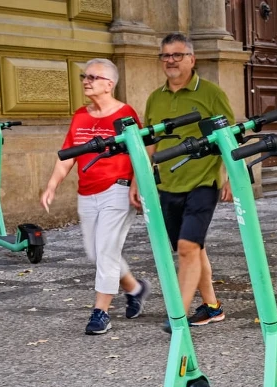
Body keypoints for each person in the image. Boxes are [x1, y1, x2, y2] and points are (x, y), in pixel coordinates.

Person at [41, 59, 147, 335]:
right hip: (87, 191)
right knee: (95, 252)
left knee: (107, 249)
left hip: (118, 188)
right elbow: (68, 156)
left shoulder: (125, 115)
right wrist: (52, 184)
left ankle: (100, 312)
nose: (86, 81)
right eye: (84, 76)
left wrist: (137, 183)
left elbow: (140, 153)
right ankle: (135, 289)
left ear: (109, 84)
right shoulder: (80, 116)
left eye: (93, 77)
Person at [137, 32, 235, 330]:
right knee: (195, 248)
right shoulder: (155, 97)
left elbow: (229, 137)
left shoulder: (210, 93)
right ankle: (212, 306)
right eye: (165, 55)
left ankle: (177, 316)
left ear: (192, 59)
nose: (170, 61)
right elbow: (149, 142)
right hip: (167, 184)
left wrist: (230, 177)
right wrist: (137, 180)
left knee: (186, 247)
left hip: (202, 181)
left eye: (177, 55)